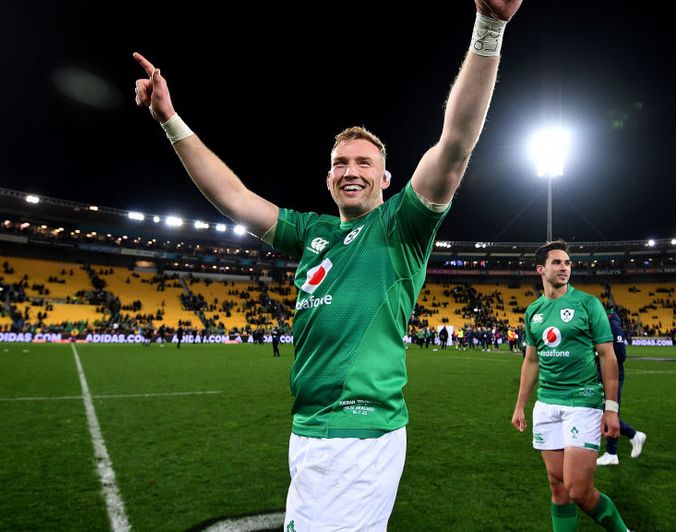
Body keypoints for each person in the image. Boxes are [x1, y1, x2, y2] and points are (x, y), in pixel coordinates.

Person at [133, 2, 523, 529]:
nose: (351, 171)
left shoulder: (402, 226)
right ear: (328, 177)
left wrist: (490, 26)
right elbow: (233, 197)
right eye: (341, 162)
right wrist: (170, 120)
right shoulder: (313, 233)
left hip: (362, 435)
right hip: (309, 429)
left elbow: (455, 143)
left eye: (365, 163)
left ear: (387, 181)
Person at [511, 241, 630, 531]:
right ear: (541, 269)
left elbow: (608, 356)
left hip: (583, 402)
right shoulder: (533, 312)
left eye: (567, 263)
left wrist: (611, 408)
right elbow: (531, 361)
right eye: (557, 262)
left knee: (578, 490)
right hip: (547, 405)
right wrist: (520, 406)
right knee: (558, 488)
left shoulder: (588, 304)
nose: (564, 267)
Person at [595, 307, 646, 466]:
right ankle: (616, 449)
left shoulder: (611, 325)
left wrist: (599, 354)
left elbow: (621, 354)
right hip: (601, 370)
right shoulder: (605, 323)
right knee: (601, 411)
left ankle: (624, 442)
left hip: (611, 371)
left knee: (609, 411)